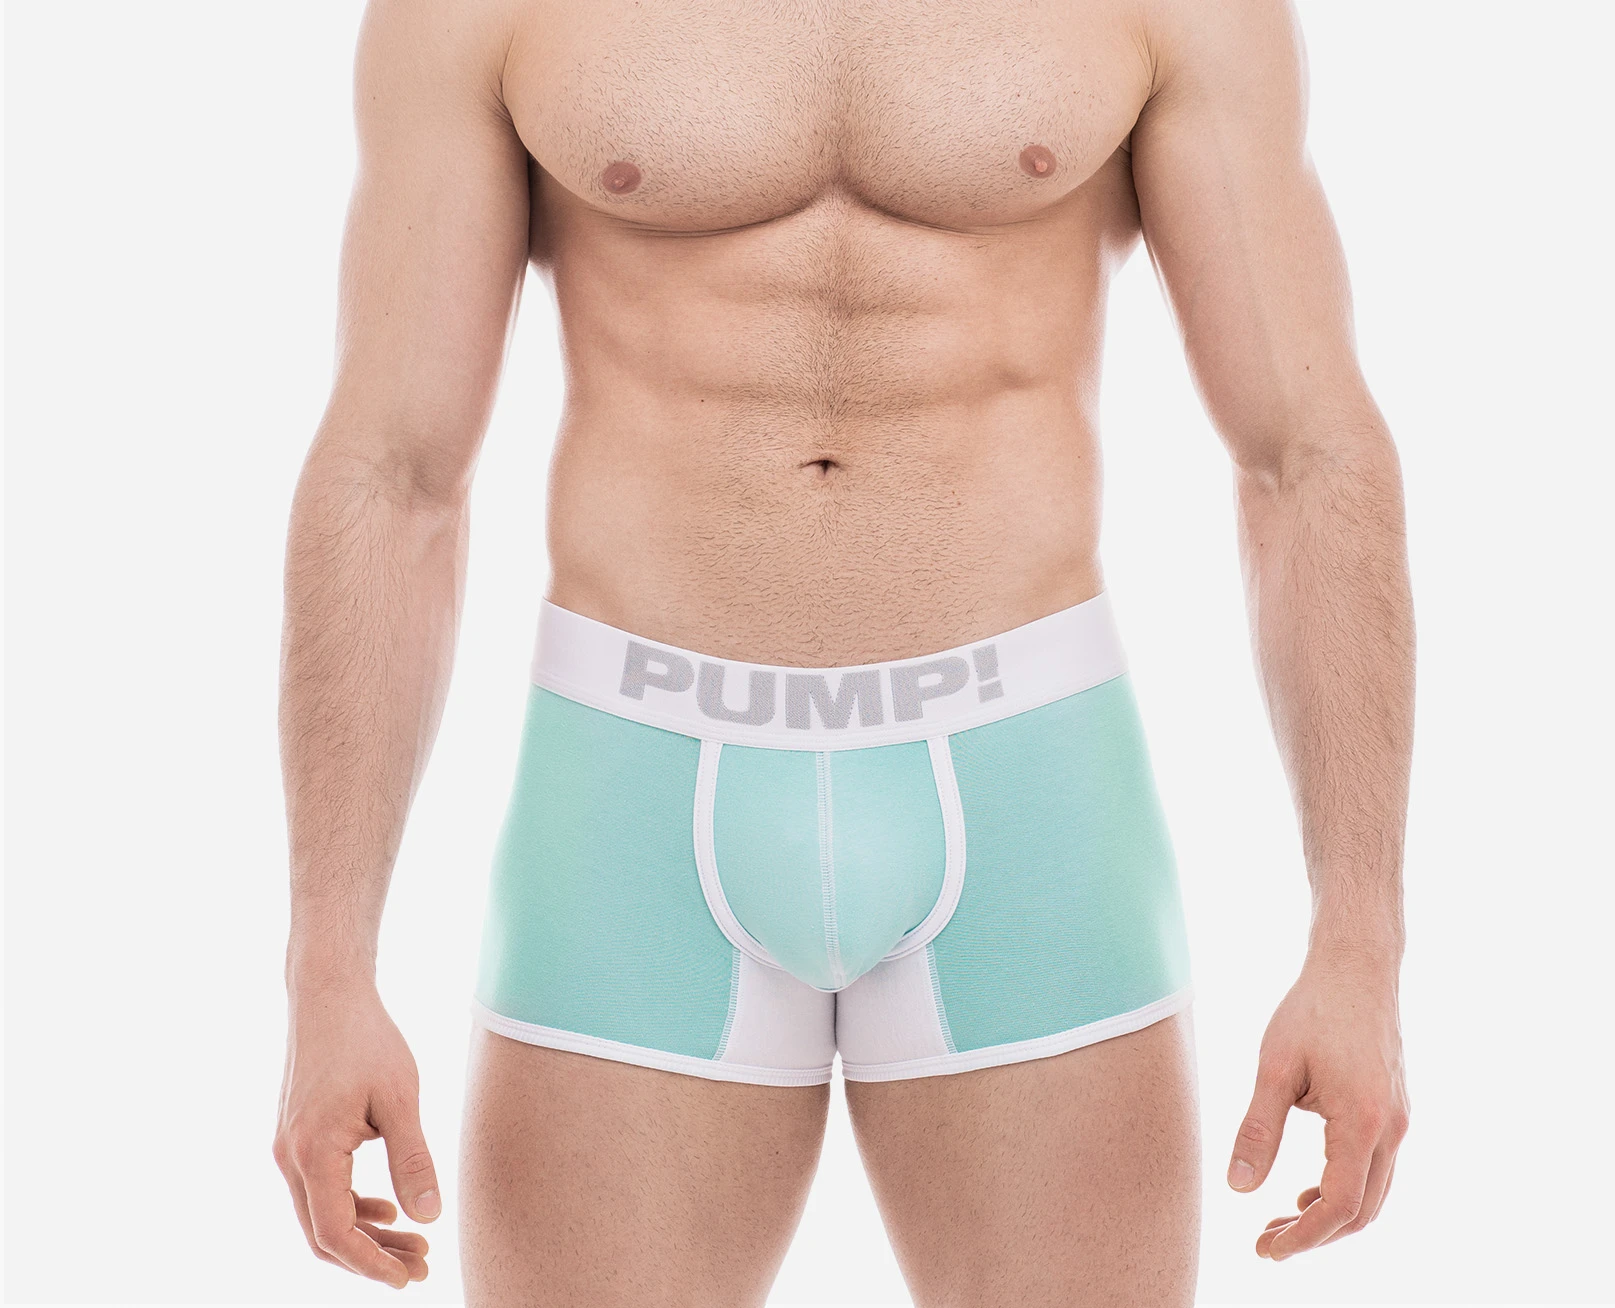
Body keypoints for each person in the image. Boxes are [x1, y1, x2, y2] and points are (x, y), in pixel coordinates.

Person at [273, 0, 1413, 1301]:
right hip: (636, 794)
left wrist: (1359, 944)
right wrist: (327, 970)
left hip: (1022, 784)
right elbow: (395, 475)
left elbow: (1306, 455)